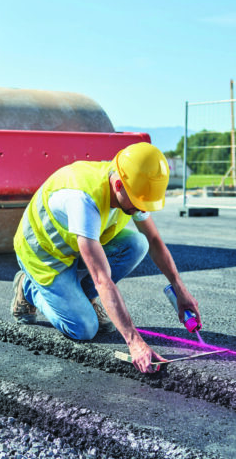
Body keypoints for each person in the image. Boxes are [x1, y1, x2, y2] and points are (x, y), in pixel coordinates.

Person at [11, 142, 202, 374]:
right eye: (139, 202)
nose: (142, 208)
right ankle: (29, 289)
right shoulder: (82, 199)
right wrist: (134, 341)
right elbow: (102, 278)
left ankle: (82, 297)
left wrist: (179, 288)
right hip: (44, 256)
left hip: (76, 246)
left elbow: (153, 241)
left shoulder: (132, 185)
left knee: (137, 244)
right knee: (84, 328)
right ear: (119, 185)